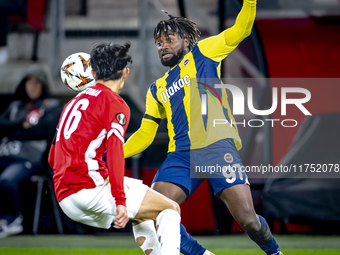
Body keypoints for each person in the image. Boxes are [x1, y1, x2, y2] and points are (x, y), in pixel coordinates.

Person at [124, 0, 283, 255]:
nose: (163, 46)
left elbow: (241, 29)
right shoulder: (156, 89)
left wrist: (250, 2)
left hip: (217, 148)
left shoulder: (205, 52)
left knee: (248, 220)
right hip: (181, 156)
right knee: (151, 212)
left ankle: (275, 253)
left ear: (186, 41)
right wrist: (112, 152)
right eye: (159, 43)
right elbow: (145, 134)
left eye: (169, 40)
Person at [49, 42, 181, 255]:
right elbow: (115, 154)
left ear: (93, 72)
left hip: (64, 196)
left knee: (145, 212)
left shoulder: (72, 103)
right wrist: (119, 200)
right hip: (90, 189)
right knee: (170, 209)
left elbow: (52, 157)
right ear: (126, 73)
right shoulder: (116, 103)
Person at [0, 66, 62, 238]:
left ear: (43, 85)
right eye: (30, 81)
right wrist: (19, 124)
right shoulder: (14, 107)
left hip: (30, 161)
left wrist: (11, 129)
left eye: (37, 82)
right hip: (5, 156)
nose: (33, 86)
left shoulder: (50, 107)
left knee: (6, 180)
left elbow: (43, 130)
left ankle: (12, 219)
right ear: (23, 84)